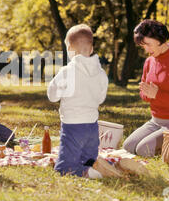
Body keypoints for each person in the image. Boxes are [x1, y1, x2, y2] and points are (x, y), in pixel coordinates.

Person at [47, 24, 122, 179]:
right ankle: (91, 167)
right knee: (88, 154)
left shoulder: (67, 71)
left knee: (64, 166)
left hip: (72, 125)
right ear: (91, 48)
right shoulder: (101, 72)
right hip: (92, 124)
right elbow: (100, 98)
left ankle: (83, 172)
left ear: (69, 49)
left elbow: (52, 95)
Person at [123, 19, 169, 157]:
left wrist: (158, 94)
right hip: (156, 121)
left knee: (142, 150)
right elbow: (145, 93)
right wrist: (147, 93)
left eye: (148, 44)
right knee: (128, 146)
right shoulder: (149, 61)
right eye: (143, 46)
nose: (145, 49)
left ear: (159, 40)